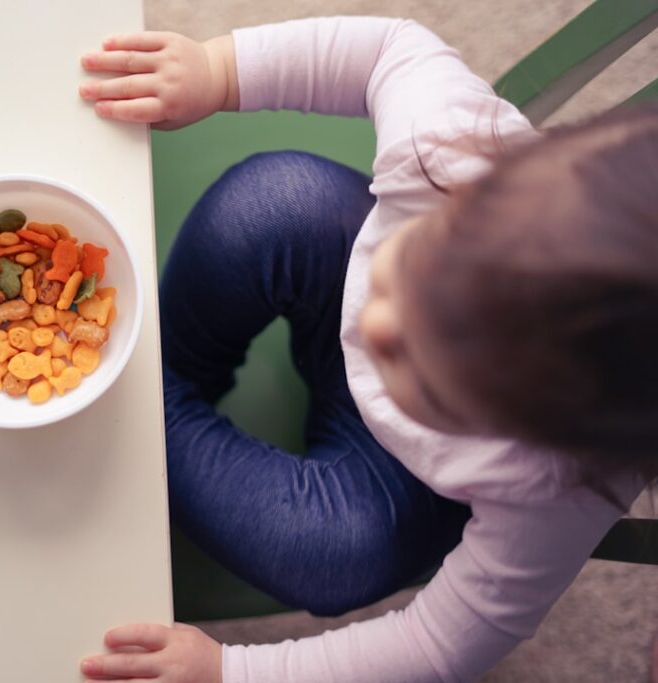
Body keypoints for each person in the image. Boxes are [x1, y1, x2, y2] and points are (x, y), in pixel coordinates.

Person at [76, 16, 658, 683]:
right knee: (271, 204)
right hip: (334, 267)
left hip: (403, 483)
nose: (382, 328)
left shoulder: (559, 491)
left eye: (433, 375)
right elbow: (391, 48)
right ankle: (169, 362)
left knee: (335, 555)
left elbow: (440, 645)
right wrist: (220, 71)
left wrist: (231, 670)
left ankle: (139, 408)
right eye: (424, 265)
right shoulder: (454, 148)